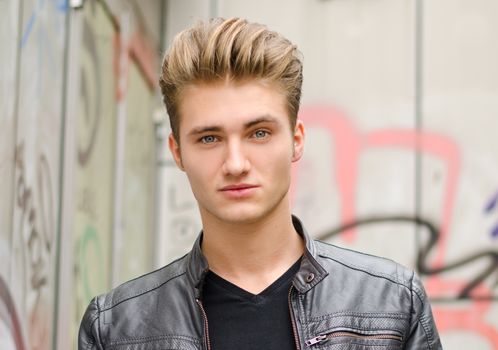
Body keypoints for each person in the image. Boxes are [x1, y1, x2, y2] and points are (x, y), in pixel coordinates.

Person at [79, 17, 442, 349]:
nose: (235, 164)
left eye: (259, 133)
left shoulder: (392, 304)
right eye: (209, 138)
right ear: (177, 152)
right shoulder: (117, 329)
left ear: (297, 140)